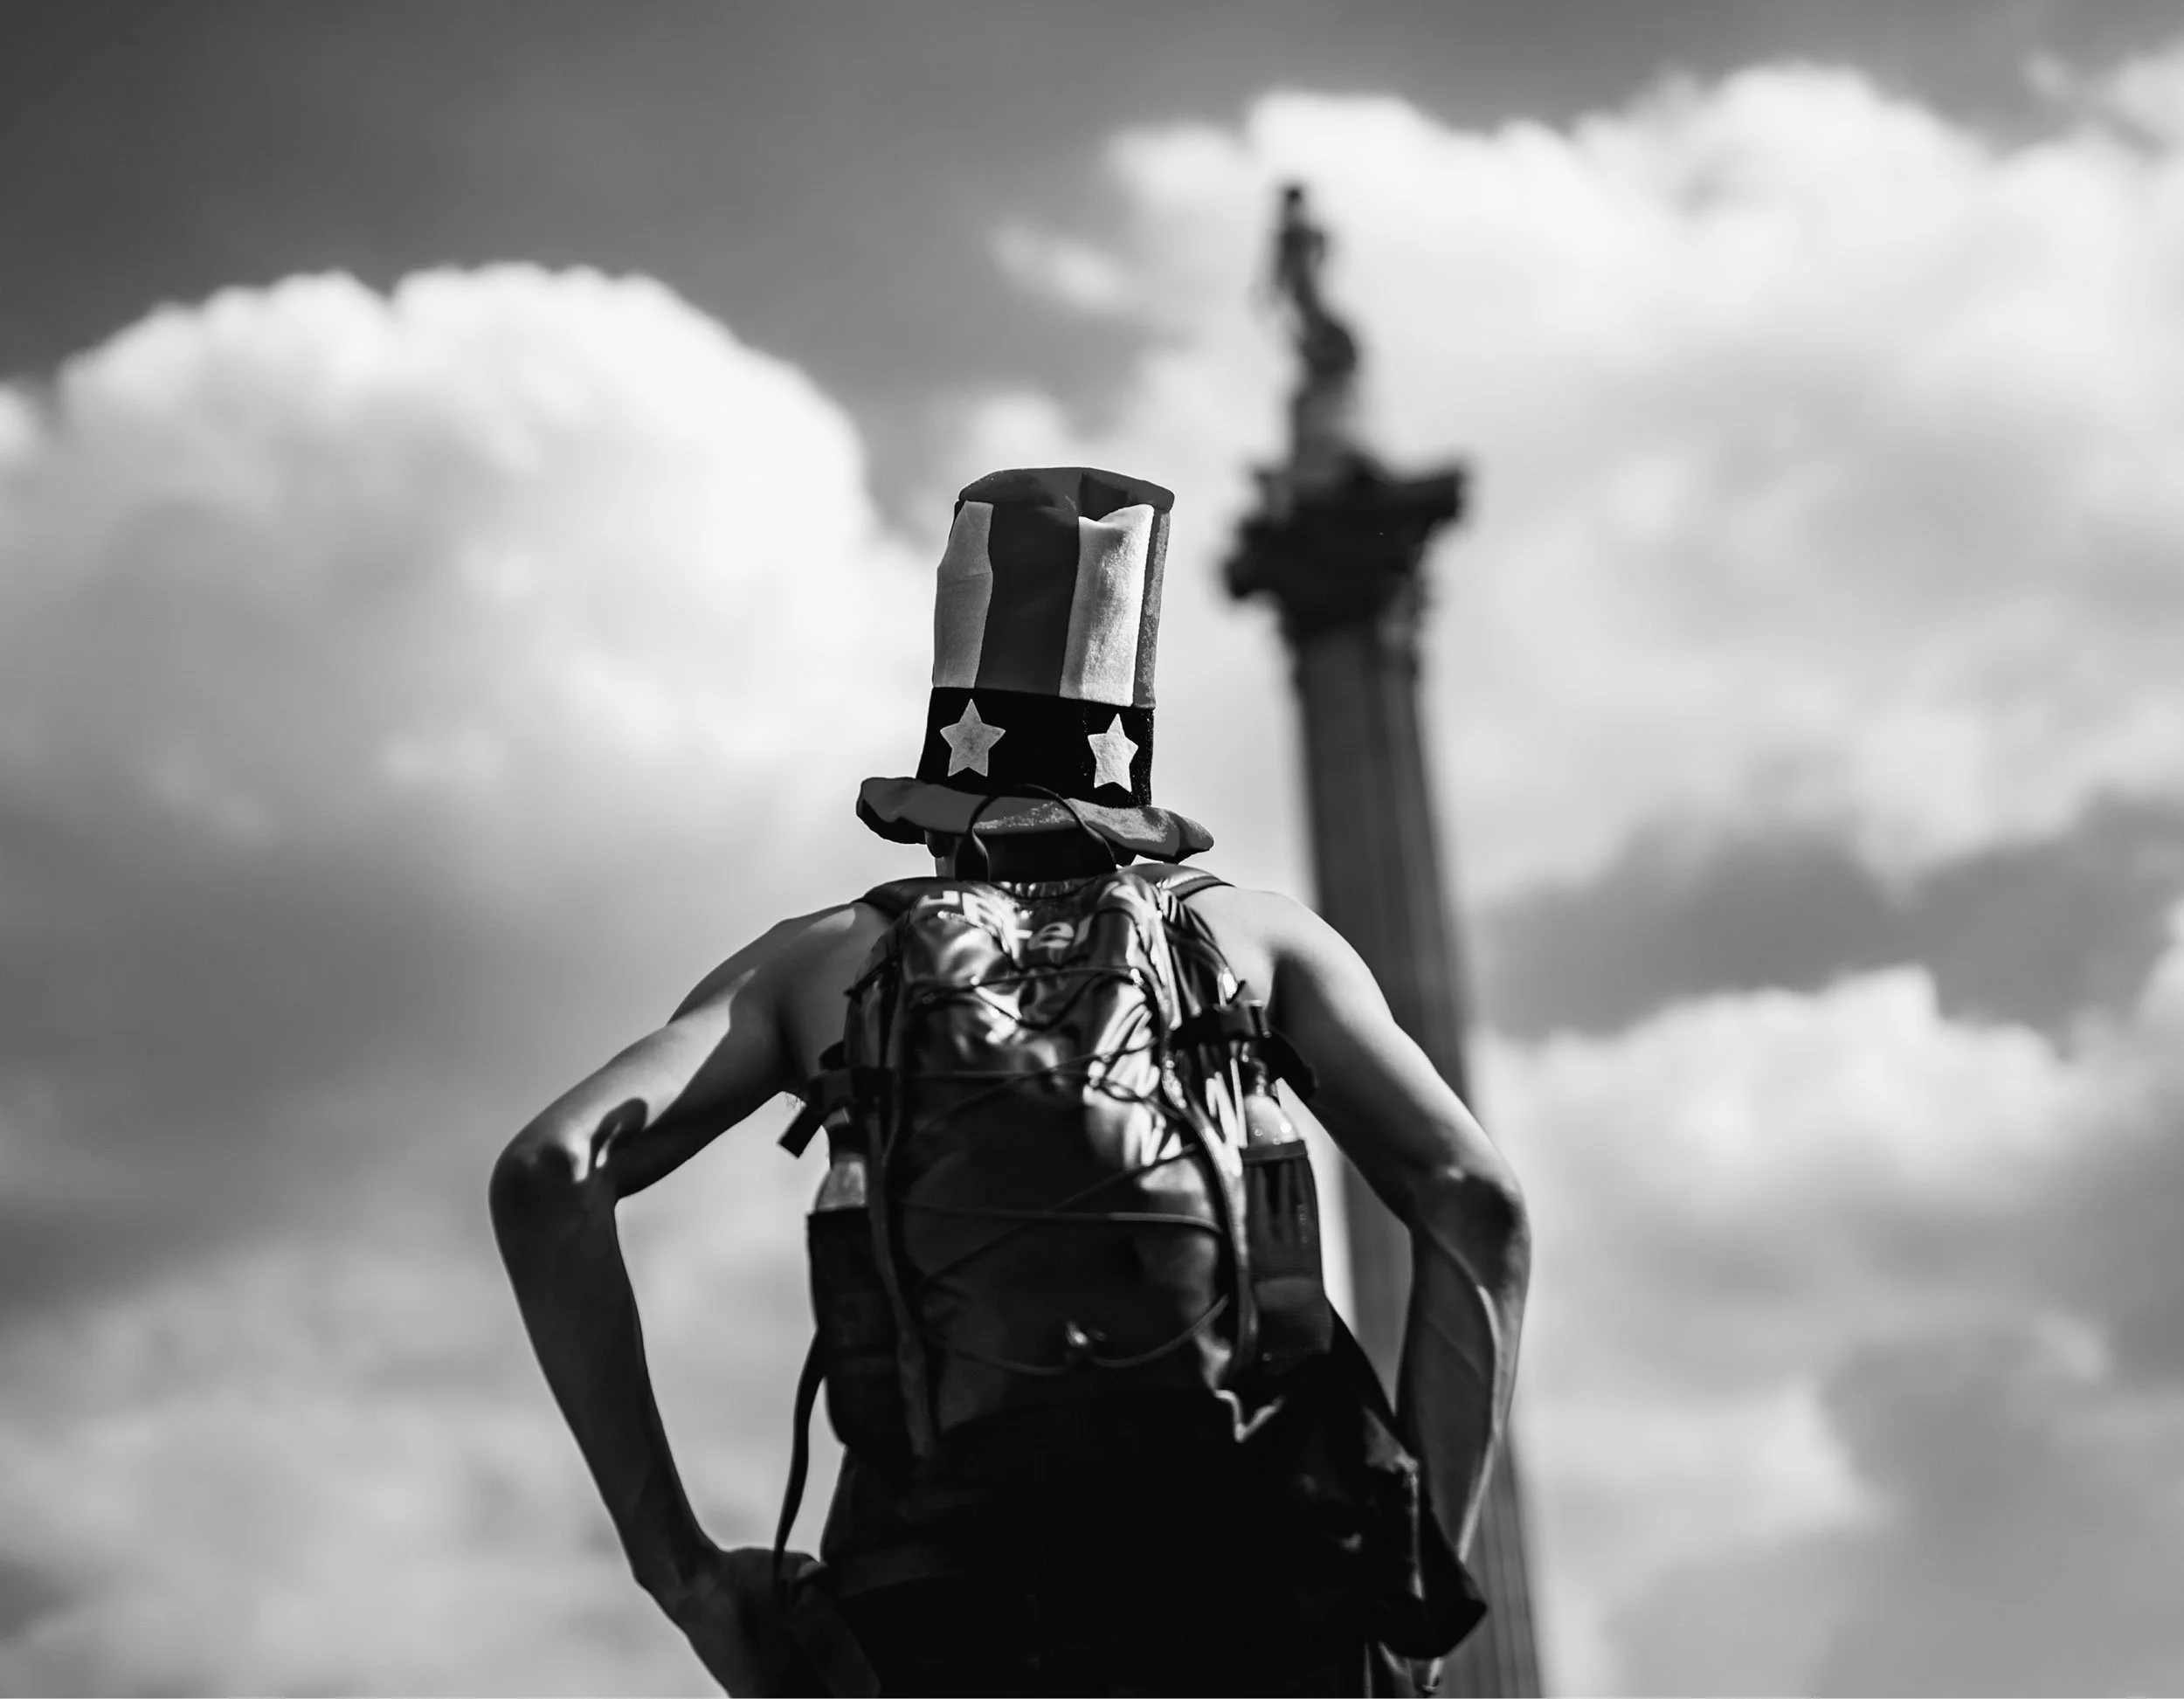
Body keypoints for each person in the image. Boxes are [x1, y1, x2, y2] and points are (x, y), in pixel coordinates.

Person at [491, 466, 1529, 1696]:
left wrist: (687, 1576)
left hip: (929, 1602)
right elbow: (1474, 1199)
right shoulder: (1256, 939)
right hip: (1254, 1583)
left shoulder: (824, 959)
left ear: (939, 790)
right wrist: (1412, 1596)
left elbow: (554, 1172)